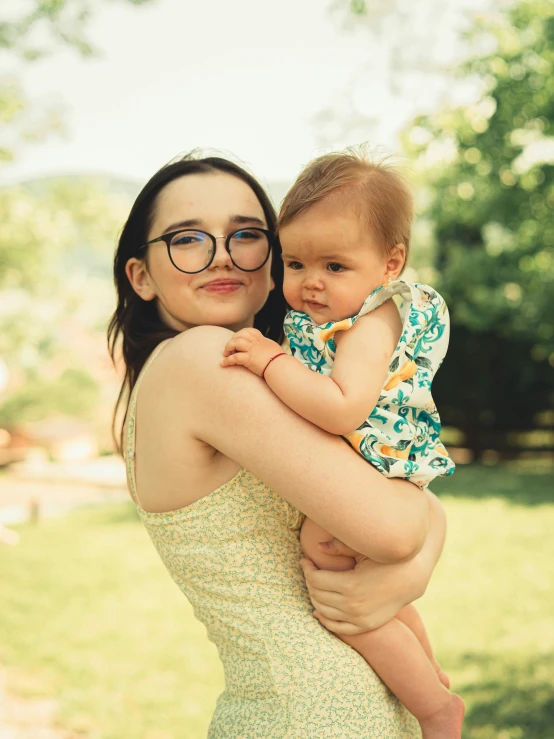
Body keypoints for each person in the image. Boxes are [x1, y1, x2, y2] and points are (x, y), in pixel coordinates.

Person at [109, 151, 449, 738]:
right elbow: (396, 526)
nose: (222, 256)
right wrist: (410, 562)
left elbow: (399, 507)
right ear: (140, 275)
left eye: (246, 234)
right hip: (312, 717)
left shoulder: (269, 368)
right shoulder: (203, 360)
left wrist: (408, 572)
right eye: (188, 239)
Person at [221, 150, 464, 738]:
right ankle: (430, 673)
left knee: (336, 584)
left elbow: (340, 407)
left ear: (390, 263)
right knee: (367, 590)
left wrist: (270, 361)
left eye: (334, 265)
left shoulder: (375, 319)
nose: (310, 282)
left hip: (379, 468)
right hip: (377, 470)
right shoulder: (337, 312)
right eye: (296, 261)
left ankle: (433, 708)